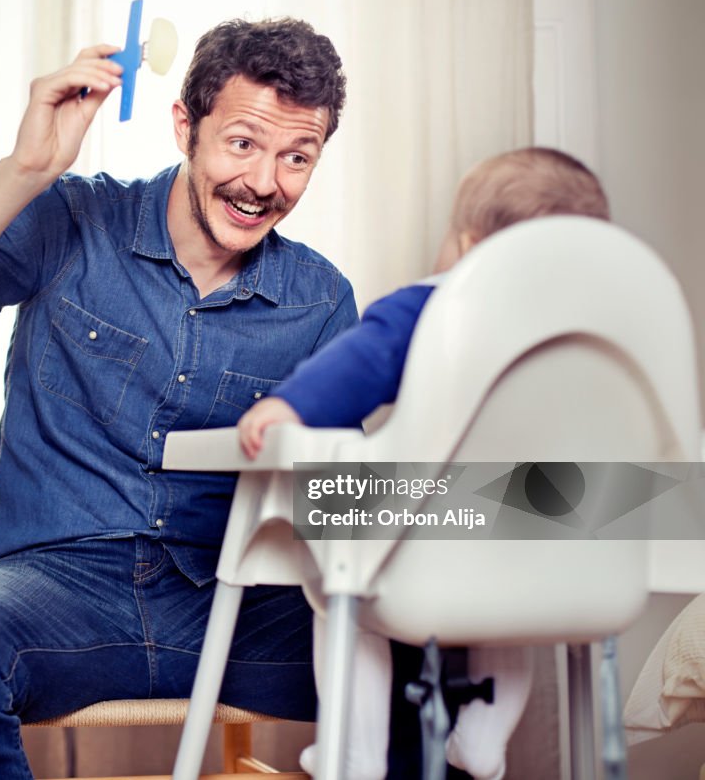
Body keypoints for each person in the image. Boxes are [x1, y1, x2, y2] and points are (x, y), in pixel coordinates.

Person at [0, 18, 358, 779]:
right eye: (241, 143)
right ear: (185, 127)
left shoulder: (321, 298)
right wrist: (22, 172)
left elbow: (333, 501)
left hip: (233, 603)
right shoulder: (69, 218)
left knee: (441, 640)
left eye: (296, 157)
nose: (265, 183)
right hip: (56, 597)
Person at [237, 146, 612, 780]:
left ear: (466, 245)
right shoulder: (593, 335)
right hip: (552, 547)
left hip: (430, 536)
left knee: (337, 576)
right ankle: (483, 740)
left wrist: (290, 406)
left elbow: (362, 361)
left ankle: (352, 756)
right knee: (519, 616)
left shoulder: (438, 303)